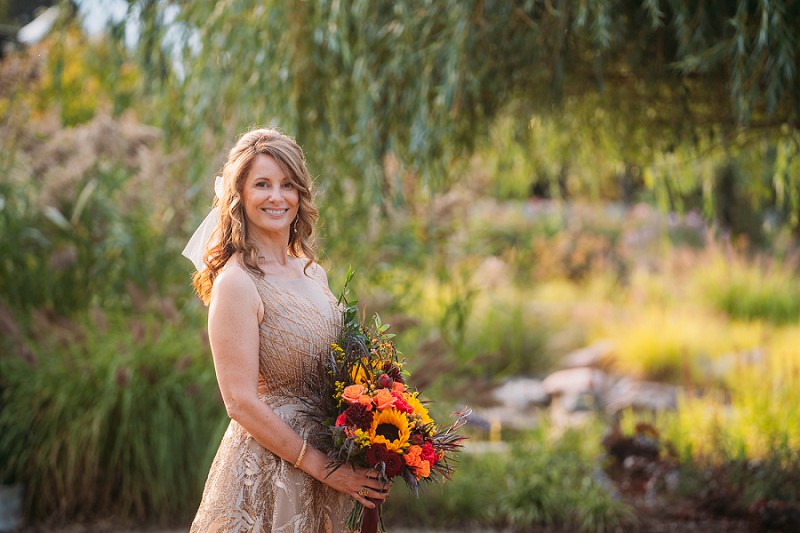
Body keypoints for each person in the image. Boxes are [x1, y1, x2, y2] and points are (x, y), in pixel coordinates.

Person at [184, 128, 389, 532]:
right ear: (238, 195)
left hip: (331, 465)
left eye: (288, 185)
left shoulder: (315, 273)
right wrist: (324, 469)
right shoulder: (237, 283)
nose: (277, 197)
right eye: (262, 184)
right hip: (273, 473)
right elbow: (240, 402)